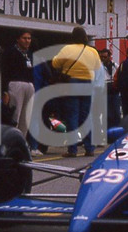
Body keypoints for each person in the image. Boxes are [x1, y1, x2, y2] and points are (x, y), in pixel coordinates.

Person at [52, 26, 102, 157]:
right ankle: (90, 148)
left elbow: (55, 63)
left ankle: (72, 150)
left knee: (72, 117)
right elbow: (97, 66)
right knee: (86, 117)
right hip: (87, 84)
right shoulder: (93, 51)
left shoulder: (67, 49)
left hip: (72, 84)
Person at [1, 30, 39, 154]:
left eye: (29, 38)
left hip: (29, 85)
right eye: (24, 38)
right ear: (18, 39)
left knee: (26, 118)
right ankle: (9, 145)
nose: (27, 41)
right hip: (15, 84)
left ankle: (21, 144)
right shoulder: (10, 52)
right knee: (15, 116)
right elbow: (4, 72)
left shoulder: (30, 54)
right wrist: (4, 90)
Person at [98, 47, 122, 131]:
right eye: (101, 57)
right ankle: (107, 132)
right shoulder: (98, 67)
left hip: (115, 93)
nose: (103, 59)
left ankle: (117, 131)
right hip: (104, 93)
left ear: (109, 57)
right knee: (107, 114)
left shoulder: (115, 66)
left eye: (105, 57)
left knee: (116, 113)